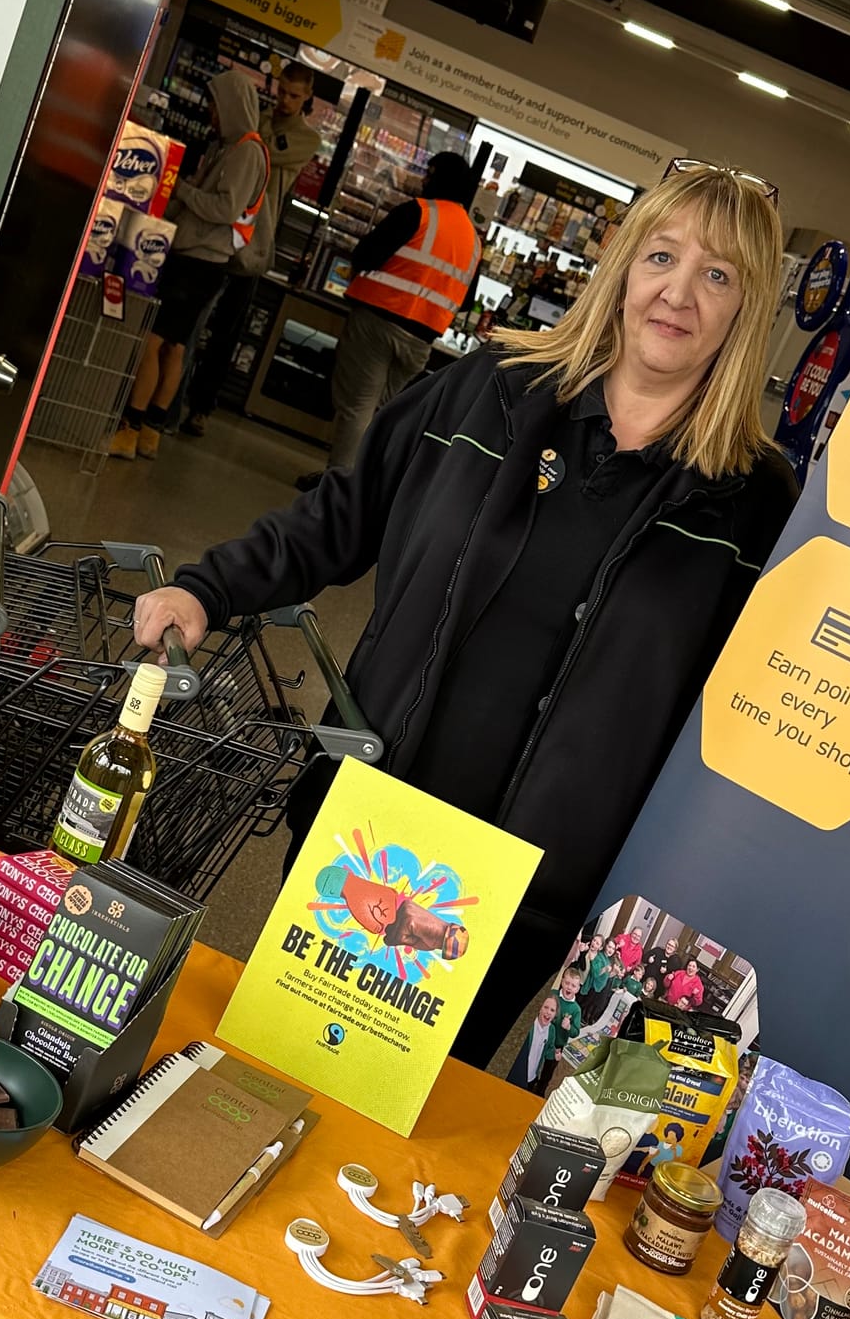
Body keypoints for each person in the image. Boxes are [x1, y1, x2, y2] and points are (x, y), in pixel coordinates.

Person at [132, 163, 798, 1067]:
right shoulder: (490, 388)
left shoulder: (754, 504)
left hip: (525, 893)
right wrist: (208, 587)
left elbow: (730, 722)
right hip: (370, 827)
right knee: (267, 1064)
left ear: (746, 309)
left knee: (399, 1112)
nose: (677, 293)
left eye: (717, 275)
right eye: (661, 257)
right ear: (622, 269)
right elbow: (340, 516)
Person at [113, 67, 268, 458]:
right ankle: (150, 433)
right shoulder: (227, 147)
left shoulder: (245, 151)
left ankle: (130, 428)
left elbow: (225, 208)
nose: (211, 113)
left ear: (231, 106)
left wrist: (181, 189)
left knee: (151, 341)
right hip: (203, 261)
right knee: (174, 347)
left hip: (198, 262)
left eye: (216, 106)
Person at [317, 150, 481, 477]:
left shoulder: (417, 212)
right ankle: (362, 486)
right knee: (382, 413)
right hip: (421, 341)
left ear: (440, 179)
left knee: (357, 407)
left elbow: (366, 255)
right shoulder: (473, 240)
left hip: (378, 321)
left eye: (429, 174)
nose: (423, 180)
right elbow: (465, 301)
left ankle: (337, 489)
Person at [180, 62, 322, 438]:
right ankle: (176, 394)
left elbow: (263, 148)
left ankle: (202, 405)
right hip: (220, 230)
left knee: (227, 327)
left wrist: (260, 126)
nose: (285, 101)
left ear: (307, 97)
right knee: (193, 319)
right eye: (282, 92)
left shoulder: (306, 139)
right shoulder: (257, 118)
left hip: (255, 237)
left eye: (294, 96)